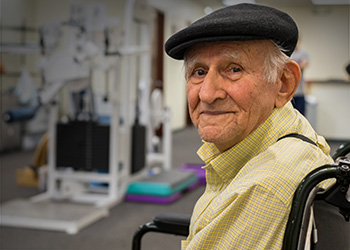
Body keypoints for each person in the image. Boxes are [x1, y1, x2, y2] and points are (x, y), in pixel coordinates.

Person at [165, 3, 333, 249]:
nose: (207, 94)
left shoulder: (264, 188)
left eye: (233, 69)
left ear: (284, 84)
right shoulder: (286, 130)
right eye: (199, 72)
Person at [290, 38, 309, 115]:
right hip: (290, 93)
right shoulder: (288, 54)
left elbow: (302, 65)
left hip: (300, 92)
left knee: (300, 116)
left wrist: (291, 65)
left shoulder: (304, 54)